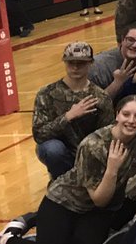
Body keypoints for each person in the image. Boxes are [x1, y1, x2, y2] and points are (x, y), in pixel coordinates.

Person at [0, 95, 136, 244]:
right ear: (116, 115)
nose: (131, 121)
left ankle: (49, 238)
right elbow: (99, 200)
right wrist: (112, 168)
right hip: (65, 202)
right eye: (126, 114)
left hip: (95, 210)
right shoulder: (92, 145)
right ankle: (9, 238)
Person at [32, 42, 115, 178]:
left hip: (89, 151)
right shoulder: (47, 93)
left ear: (91, 63)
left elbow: (107, 134)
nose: (75, 67)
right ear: (64, 62)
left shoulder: (100, 97)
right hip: (60, 151)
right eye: (71, 63)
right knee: (52, 149)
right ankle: (60, 180)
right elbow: (39, 134)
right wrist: (68, 117)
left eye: (81, 63)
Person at [89, 23, 136, 101]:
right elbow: (95, 105)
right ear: (122, 40)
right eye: (130, 40)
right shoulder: (99, 66)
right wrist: (117, 83)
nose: (135, 45)